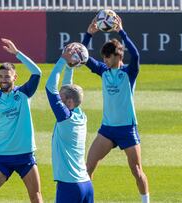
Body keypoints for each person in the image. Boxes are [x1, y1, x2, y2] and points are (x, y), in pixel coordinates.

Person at [82, 15, 149, 202]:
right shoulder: (103, 71)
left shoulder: (129, 72)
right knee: (88, 168)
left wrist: (121, 32)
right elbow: (83, 56)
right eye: (103, 56)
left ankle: (146, 200)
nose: (103, 59)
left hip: (127, 128)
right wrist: (88, 34)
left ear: (118, 56)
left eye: (107, 56)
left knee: (136, 171)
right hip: (108, 130)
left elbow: (136, 55)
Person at [0, 38, 43, 202]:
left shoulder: (24, 93)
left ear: (15, 77)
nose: (3, 79)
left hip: (25, 156)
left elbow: (37, 73)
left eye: (7, 76)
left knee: (35, 196)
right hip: (1, 156)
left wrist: (17, 53)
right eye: (0, 76)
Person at [45, 45, 94, 203]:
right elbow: (67, 86)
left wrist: (62, 60)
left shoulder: (65, 118)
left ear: (70, 102)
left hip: (70, 186)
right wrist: (70, 67)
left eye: (62, 97)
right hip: (86, 184)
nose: (58, 98)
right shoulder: (80, 114)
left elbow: (49, 87)